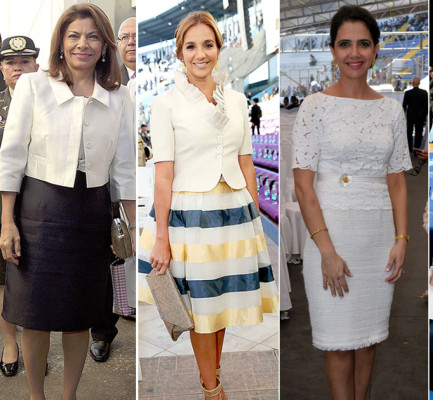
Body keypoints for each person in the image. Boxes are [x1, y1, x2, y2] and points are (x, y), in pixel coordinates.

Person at [137, 11, 278, 400]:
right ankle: (211, 388)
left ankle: (212, 372)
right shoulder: (166, 104)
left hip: (234, 214)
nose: (201, 54)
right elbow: (163, 175)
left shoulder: (236, 99)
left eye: (208, 45)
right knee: (200, 312)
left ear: (219, 47)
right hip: (190, 219)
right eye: (191, 46)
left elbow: (245, 160)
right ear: (180, 53)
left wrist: (254, 219)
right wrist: (161, 237)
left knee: (222, 307)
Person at [0, 4, 135, 399]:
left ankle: (69, 394)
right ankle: (37, 396)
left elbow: (124, 169)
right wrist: (6, 222)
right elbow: (11, 160)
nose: (83, 44)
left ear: (105, 45)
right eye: (74, 35)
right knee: (34, 316)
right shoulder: (33, 86)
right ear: (61, 42)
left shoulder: (120, 96)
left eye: (93, 36)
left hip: (92, 215)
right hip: (38, 212)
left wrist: (127, 229)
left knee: (81, 316)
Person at [292, 5, 410, 399]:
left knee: (369, 341)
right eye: (345, 44)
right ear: (332, 50)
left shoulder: (392, 110)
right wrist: (326, 250)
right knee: (338, 344)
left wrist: (403, 238)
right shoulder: (314, 107)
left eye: (363, 43)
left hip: (377, 239)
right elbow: (303, 187)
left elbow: (396, 181)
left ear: (376, 50)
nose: (354, 52)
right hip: (330, 236)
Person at [90, 14, 136, 364]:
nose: (131, 43)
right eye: (125, 37)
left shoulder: (130, 89)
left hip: (137, 188)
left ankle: (107, 328)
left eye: (137, 36)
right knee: (106, 263)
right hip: (97, 191)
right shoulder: (109, 85)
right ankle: (104, 325)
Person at [0, 35, 40, 378]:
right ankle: (9, 341)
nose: (18, 67)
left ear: (37, 66)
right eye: (11, 62)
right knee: (2, 278)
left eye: (25, 61)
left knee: (30, 277)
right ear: (2, 68)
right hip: (1, 205)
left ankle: (32, 345)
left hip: (38, 205)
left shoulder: (49, 102)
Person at [402, 76, 428, 152]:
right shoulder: (424, 93)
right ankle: (416, 149)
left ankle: (409, 149)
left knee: (409, 132)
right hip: (420, 116)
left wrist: (403, 116)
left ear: (412, 84)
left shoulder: (407, 93)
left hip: (410, 115)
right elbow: (426, 106)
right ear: (419, 83)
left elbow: (404, 105)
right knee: (419, 133)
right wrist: (424, 115)